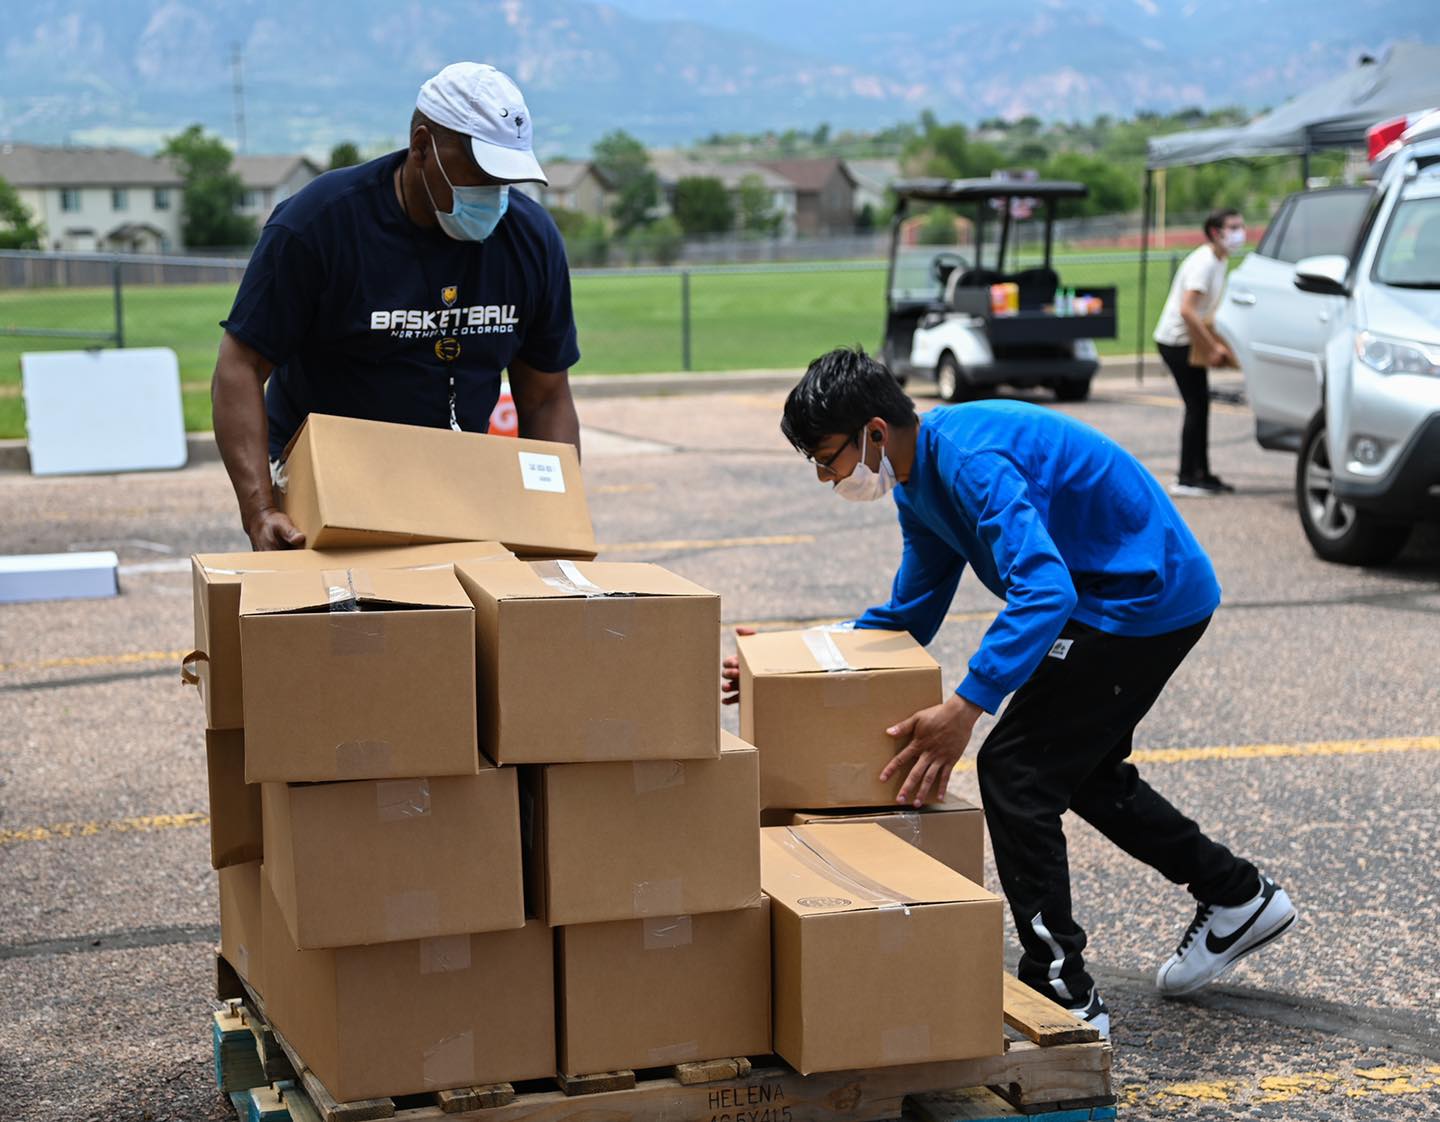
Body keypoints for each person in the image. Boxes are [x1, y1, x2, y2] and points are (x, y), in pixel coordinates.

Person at [722, 347, 1296, 1037]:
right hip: (1107, 596)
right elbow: (910, 613)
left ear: (874, 432)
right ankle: (1236, 896)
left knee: (1016, 769)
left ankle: (1063, 992)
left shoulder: (967, 461)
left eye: (827, 457)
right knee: (1079, 773)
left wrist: (967, 706)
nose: (824, 476)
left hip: (1141, 597)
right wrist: (789, 654)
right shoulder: (917, 481)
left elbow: (1044, 589)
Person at [212, 62, 582, 550]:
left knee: (459, 618)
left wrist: (555, 522)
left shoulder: (529, 240)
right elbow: (240, 365)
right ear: (423, 147)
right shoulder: (320, 224)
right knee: (356, 620)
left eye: (506, 179)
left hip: (452, 473)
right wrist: (260, 510)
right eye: (481, 174)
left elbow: (545, 395)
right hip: (324, 478)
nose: (494, 195)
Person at [1153, 208, 1246, 497]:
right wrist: (1213, 347)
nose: (1240, 232)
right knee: (1196, 406)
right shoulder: (1204, 263)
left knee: (1201, 405)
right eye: (1233, 227)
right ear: (1216, 232)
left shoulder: (1219, 260)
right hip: (1176, 342)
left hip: (1188, 341)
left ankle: (1201, 472)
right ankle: (1186, 476)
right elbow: (1187, 310)